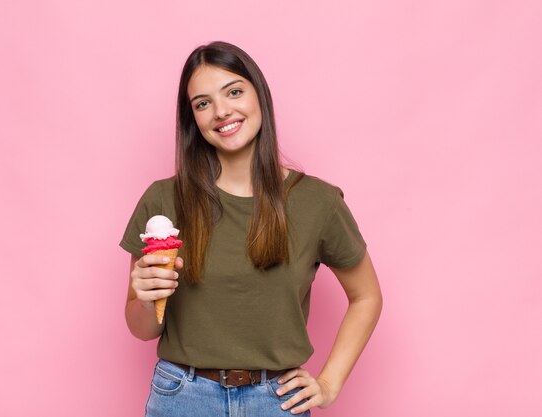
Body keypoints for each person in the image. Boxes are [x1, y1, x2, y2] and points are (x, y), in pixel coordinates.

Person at [120, 41, 382, 417]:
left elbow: (366, 296)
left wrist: (329, 383)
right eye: (203, 103)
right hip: (182, 398)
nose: (221, 111)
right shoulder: (163, 200)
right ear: (192, 118)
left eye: (234, 92)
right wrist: (145, 299)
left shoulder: (317, 202)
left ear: (260, 95)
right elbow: (143, 329)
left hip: (276, 401)